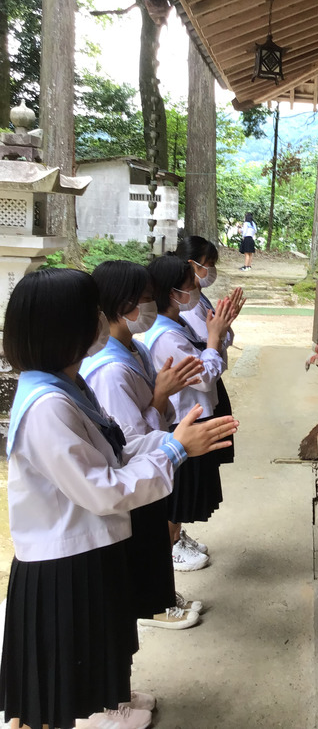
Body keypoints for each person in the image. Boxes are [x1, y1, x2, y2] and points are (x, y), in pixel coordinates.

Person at [0, 268, 237, 729]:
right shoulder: (48, 406)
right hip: (62, 560)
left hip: (87, 546)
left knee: (94, 645)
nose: (101, 321)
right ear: (64, 327)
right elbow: (103, 489)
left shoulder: (66, 384)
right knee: (55, 678)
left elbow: (114, 450)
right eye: (91, 313)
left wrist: (173, 442)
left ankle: (110, 700)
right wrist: (172, 448)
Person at [81, 260, 206, 631]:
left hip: (153, 460)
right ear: (123, 306)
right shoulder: (110, 369)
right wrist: (162, 402)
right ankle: (154, 607)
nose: (151, 308)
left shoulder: (132, 349)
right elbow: (129, 438)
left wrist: (161, 398)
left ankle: (162, 599)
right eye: (147, 300)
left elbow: (151, 412)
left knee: (155, 536)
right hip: (138, 471)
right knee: (146, 541)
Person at [145, 254, 235, 571]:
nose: (196, 286)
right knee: (175, 498)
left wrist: (218, 333)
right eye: (189, 283)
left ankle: (176, 539)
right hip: (179, 423)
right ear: (171, 292)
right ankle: (167, 557)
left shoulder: (176, 322)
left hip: (190, 417)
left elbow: (211, 360)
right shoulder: (165, 336)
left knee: (183, 497)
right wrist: (214, 336)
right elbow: (205, 377)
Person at [176, 236, 245, 470]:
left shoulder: (199, 298)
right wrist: (218, 334)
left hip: (213, 383)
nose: (211, 270)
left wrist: (224, 326)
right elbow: (208, 345)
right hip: (195, 400)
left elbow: (221, 338)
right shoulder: (185, 308)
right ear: (192, 265)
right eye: (208, 264)